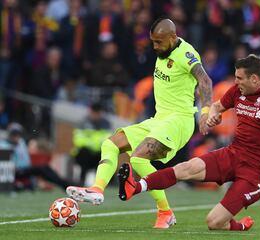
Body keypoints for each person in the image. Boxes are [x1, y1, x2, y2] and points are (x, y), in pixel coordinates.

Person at [117, 54, 260, 231]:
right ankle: (135, 187)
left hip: (256, 170)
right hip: (234, 153)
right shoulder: (238, 91)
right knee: (186, 167)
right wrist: (213, 116)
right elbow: (217, 106)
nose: (235, 82)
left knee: (214, 222)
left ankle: (240, 225)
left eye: (239, 78)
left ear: (254, 79)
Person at [66, 18, 213, 229]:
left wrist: (206, 111)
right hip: (159, 119)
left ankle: (165, 212)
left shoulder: (186, 54)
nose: (155, 47)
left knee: (138, 159)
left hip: (179, 120)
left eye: (159, 42)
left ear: (173, 37)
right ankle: (97, 190)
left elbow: (205, 81)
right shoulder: (163, 49)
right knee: (110, 143)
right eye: (152, 41)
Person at [72, 102, 112, 185]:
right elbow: (78, 140)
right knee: (84, 153)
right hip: (85, 153)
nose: (96, 115)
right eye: (95, 112)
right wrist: (95, 144)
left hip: (98, 152)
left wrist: (92, 142)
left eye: (98, 113)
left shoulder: (106, 123)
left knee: (109, 155)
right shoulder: (82, 122)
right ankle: (81, 180)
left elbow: (108, 139)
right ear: (90, 111)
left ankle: (106, 182)